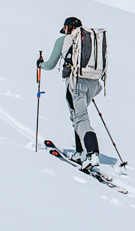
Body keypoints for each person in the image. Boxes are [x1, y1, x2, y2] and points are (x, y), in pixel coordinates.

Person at [38, 16, 103, 172]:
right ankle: (80, 153)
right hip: (94, 84)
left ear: (67, 28)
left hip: (76, 84)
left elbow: (50, 64)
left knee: (80, 119)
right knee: (77, 116)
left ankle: (92, 155)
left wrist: (40, 64)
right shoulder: (89, 40)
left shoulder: (64, 40)